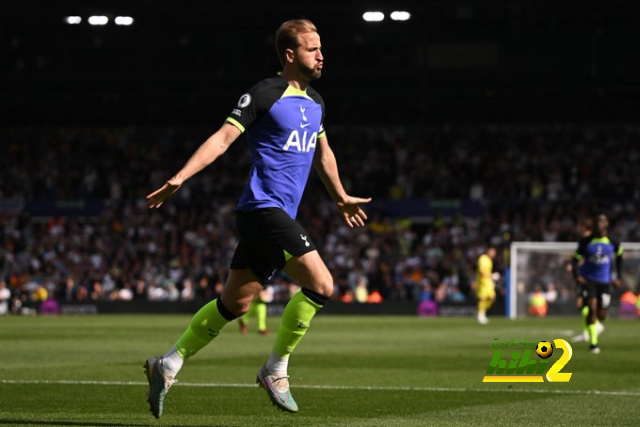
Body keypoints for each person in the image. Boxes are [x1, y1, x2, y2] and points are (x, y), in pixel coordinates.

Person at [143, 19, 371, 418]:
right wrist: (178, 178)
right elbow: (222, 138)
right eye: (312, 48)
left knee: (235, 304)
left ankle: (169, 363)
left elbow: (324, 154)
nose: (321, 55)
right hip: (262, 210)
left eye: (321, 48)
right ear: (290, 55)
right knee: (322, 285)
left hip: (272, 216)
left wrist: (339, 197)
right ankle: (275, 370)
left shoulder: (315, 102)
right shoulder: (264, 93)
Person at [572, 213, 623, 354]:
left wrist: (619, 276)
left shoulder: (613, 242)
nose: (599, 224)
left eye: (602, 222)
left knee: (602, 314)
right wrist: (577, 276)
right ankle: (593, 343)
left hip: (605, 282)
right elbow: (574, 259)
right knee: (591, 307)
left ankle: (596, 326)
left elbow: (620, 256)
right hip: (589, 280)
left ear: (606, 224)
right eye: (597, 222)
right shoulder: (585, 242)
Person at [570, 218, 603, 342]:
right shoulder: (585, 240)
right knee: (581, 304)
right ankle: (588, 330)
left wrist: (578, 265)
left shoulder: (589, 241)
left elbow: (591, 257)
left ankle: (595, 325)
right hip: (584, 276)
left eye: (580, 226)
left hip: (588, 277)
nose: (578, 228)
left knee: (584, 303)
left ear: (585, 227)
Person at [476, 245, 497, 325]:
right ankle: (480, 315)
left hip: (488, 282)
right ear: (488, 251)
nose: (494, 254)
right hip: (483, 282)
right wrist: (492, 276)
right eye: (492, 252)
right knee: (483, 298)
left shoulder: (489, 260)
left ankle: (482, 313)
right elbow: (482, 272)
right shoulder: (483, 259)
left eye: (495, 252)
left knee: (492, 298)